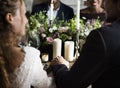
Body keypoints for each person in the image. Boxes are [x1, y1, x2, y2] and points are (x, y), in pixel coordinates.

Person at [51, 0, 120, 88]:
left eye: (107, 1)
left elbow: (70, 84)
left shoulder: (103, 36)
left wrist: (60, 66)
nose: (104, 4)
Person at [0, 0, 55, 88]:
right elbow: (47, 86)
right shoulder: (29, 57)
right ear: (10, 18)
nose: (26, 20)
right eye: (24, 14)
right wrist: (58, 68)